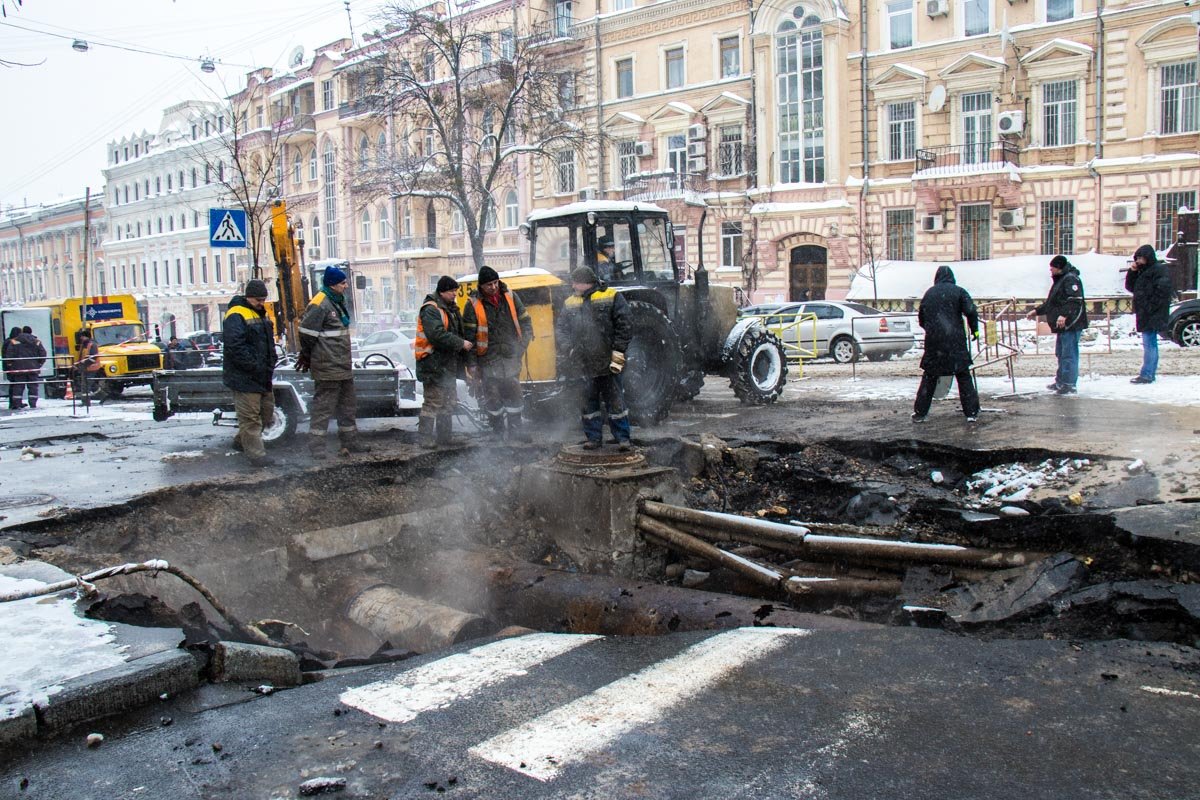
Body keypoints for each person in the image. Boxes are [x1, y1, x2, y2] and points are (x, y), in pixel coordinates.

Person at [556, 266, 633, 450]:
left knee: (615, 402)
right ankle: (594, 438)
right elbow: (561, 330)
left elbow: (625, 324)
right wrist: (570, 350)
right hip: (583, 364)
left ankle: (623, 438)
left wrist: (618, 350)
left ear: (584, 283)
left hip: (607, 361)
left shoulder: (611, 296)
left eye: (575, 281)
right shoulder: (570, 303)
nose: (572, 285)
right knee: (588, 403)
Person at [299, 265, 370, 458]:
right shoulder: (320, 303)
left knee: (348, 406)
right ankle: (317, 447)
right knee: (323, 407)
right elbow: (306, 333)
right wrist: (306, 355)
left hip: (342, 365)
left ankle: (350, 441)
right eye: (343, 283)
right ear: (332, 284)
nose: (346, 286)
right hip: (327, 365)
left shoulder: (336, 301)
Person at [462, 265, 533, 440]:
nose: (493, 287)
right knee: (492, 397)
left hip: (510, 356)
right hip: (487, 359)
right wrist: (471, 364)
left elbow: (526, 322)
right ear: (481, 286)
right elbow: (469, 339)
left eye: (495, 283)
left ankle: (516, 431)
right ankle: (498, 432)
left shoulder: (510, 297)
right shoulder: (473, 305)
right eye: (488, 285)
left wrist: (521, 347)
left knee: (514, 393)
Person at [913, 265, 981, 423]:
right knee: (963, 377)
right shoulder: (959, 291)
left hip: (934, 343)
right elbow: (971, 311)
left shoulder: (929, 293)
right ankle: (971, 412)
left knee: (929, 378)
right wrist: (975, 331)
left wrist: (932, 330)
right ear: (952, 277)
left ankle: (920, 413)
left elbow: (921, 317)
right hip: (955, 342)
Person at [222, 279, 277, 467]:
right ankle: (257, 456)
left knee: (267, 413)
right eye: (258, 300)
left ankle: (241, 442)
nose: (262, 303)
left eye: (263, 299)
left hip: (262, 374)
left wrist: (270, 362)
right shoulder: (236, 314)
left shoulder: (261, 314)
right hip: (245, 377)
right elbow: (234, 346)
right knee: (250, 417)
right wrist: (253, 366)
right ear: (248, 297)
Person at [414, 275, 472, 446]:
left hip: (446, 366)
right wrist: (461, 343)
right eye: (452, 291)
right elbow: (437, 335)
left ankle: (444, 437)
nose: (455, 294)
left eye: (456, 290)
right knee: (433, 403)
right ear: (442, 291)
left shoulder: (450, 309)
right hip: (433, 365)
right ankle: (425, 438)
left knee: (448, 402)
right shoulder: (431, 309)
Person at [1027, 254, 1088, 395]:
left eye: (1052, 268)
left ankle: (1069, 384)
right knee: (1061, 353)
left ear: (1059, 268)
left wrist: (1064, 315)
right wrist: (1037, 311)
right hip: (1063, 325)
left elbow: (1074, 300)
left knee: (1069, 354)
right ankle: (1061, 381)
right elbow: (1052, 303)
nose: (1050, 271)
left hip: (1071, 324)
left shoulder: (1070, 279)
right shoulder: (1061, 279)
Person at [1125, 244, 1174, 384]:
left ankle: (1147, 374)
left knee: (1150, 344)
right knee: (1149, 343)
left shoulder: (1158, 270)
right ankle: (1148, 373)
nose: (1138, 261)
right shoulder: (1143, 271)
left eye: (1141, 258)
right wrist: (1132, 271)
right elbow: (1130, 287)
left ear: (1148, 258)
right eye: (1137, 258)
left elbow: (1162, 292)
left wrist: (1150, 306)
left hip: (1153, 313)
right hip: (1146, 313)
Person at [3, 327, 31, 410]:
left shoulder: (7, 341)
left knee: (14, 385)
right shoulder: (12, 342)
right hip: (12, 367)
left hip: (9, 366)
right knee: (15, 385)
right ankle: (14, 403)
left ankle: (14, 402)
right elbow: (10, 355)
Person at [18, 326, 46, 407]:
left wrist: (12, 364)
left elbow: (10, 354)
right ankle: (33, 403)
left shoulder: (15, 341)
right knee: (33, 386)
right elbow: (43, 354)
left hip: (19, 368)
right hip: (33, 368)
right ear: (31, 332)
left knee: (18, 386)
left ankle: (17, 403)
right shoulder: (36, 341)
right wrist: (39, 364)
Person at [75, 330, 103, 400]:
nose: (81, 338)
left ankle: (85, 402)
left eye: (82, 336)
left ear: (86, 336)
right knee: (91, 384)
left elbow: (92, 358)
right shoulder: (85, 344)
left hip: (91, 368)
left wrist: (83, 364)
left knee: (86, 385)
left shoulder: (91, 344)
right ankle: (103, 395)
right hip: (87, 367)